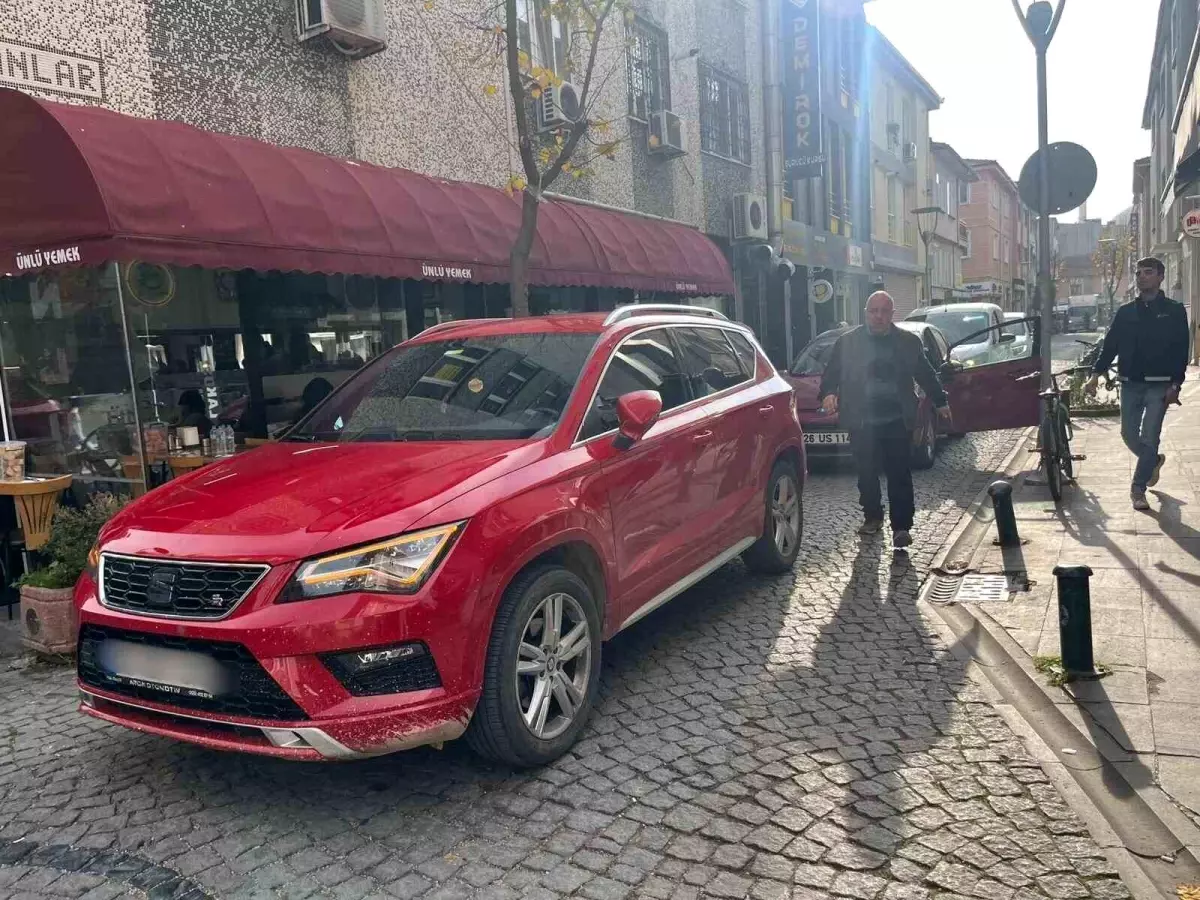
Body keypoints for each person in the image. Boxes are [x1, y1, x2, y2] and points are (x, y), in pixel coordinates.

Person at [818, 291, 952, 548]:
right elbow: (831, 373)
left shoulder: (908, 342)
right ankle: (872, 516)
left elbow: (925, 373)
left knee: (899, 472)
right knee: (866, 472)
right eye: (873, 311)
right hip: (861, 419)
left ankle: (901, 527)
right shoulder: (848, 342)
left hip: (897, 418)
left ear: (892, 314)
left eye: (884, 311)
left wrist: (940, 400)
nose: (878, 316)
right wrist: (828, 393)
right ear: (866, 313)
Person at [1086, 256, 1189, 511]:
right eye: (1138, 273)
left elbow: (1181, 350)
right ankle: (1153, 461)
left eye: (1148, 272)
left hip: (1159, 385)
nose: (1142, 276)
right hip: (1130, 383)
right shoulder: (1126, 312)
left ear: (1160, 277)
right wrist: (1095, 373)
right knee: (1128, 434)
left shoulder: (1174, 310)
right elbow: (1110, 345)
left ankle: (1138, 489)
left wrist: (1176, 384)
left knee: (1150, 436)